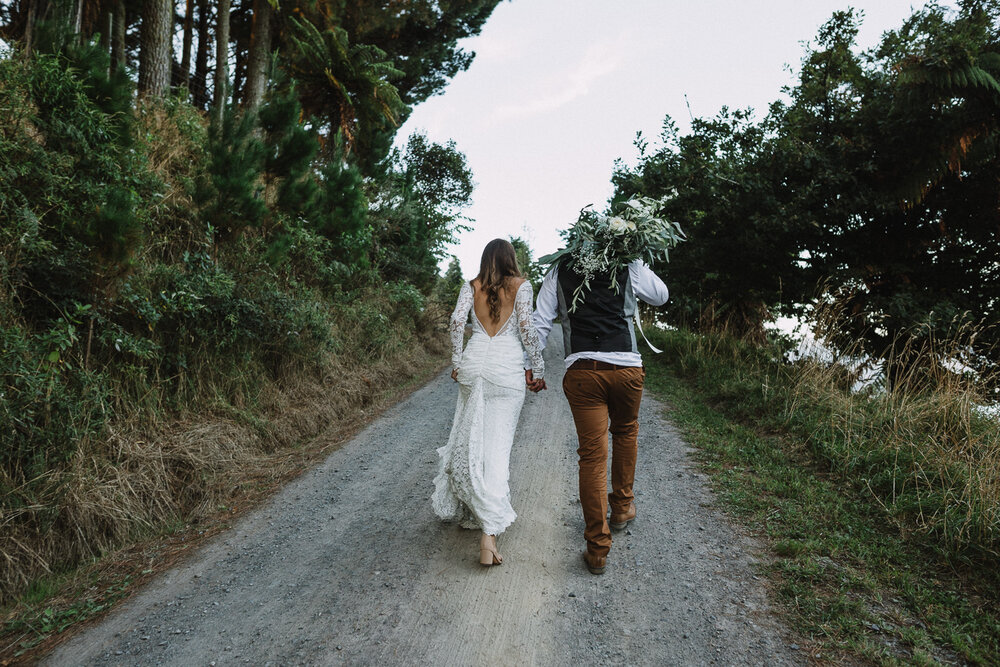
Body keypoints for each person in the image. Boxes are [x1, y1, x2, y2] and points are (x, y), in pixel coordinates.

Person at [530, 256, 668, 574]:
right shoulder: (627, 264)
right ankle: (621, 508)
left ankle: (597, 550)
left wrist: (534, 366)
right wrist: (639, 260)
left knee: (592, 456)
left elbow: (541, 320)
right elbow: (661, 295)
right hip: (626, 368)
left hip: (583, 370)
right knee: (625, 432)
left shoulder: (559, 268)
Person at [432, 239, 545, 566]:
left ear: (485, 260)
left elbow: (456, 322)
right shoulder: (521, 287)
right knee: (496, 448)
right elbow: (526, 327)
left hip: (474, 363)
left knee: (472, 440)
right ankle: (489, 533)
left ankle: (476, 511)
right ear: (511, 260)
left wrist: (456, 360)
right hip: (505, 371)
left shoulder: (472, 286)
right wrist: (536, 368)